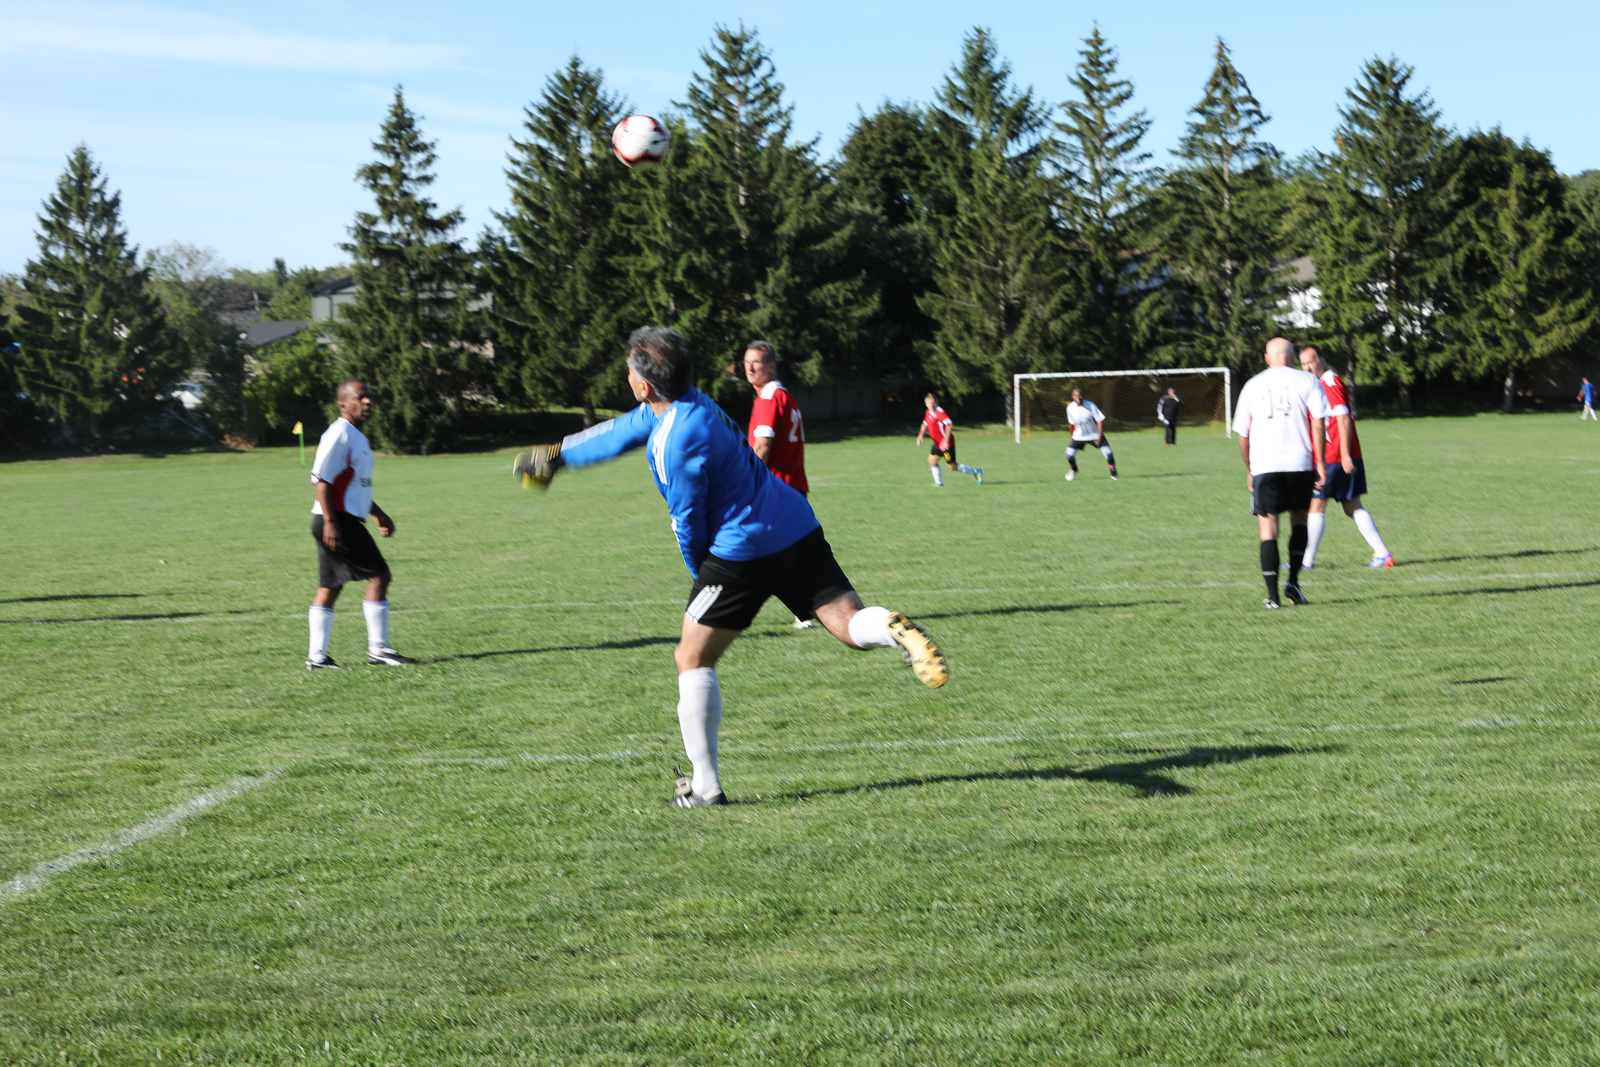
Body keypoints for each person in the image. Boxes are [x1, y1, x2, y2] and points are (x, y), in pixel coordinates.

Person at [513, 326, 948, 808]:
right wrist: (559, 456)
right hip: (794, 522)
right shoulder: (693, 404)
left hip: (743, 550)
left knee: (691, 657)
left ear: (644, 385)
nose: (628, 378)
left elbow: (687, 520)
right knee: (848, 625)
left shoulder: (673, 441)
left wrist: (701, 577)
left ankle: (704, 788)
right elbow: (623, 429)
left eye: (630, 372)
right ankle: (891, 628)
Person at [307, 380, 415, 669]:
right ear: (343, 404)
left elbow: (355, 486)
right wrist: (331, 522)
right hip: (336, 519)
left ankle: (317, 657)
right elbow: (321, 480)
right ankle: (379, 649)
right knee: (379, 576)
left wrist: (378, 513)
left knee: (330, 586)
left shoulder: (356, 435)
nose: (367, 402)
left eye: (369, 397)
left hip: (336, 517)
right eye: (360, 397)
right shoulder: (339, 434)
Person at [1232, 338, 1330, 609]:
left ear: (1267, 358)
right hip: (1300, 464)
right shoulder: (1308, 381)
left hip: (1265, 466)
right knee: (1300, 522)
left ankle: (1273, 598)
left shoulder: (1252, 384)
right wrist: (1320, 463)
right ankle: (1294, 583)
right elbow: (1318, 423)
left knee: (1268, 530)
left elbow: (1243, 435)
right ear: (1293, 357)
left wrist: (1250, 469)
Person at [1298, 345, 1396, 569]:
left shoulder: (1330, 382)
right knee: (1351, 506)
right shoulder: (1321, 383)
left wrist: (1344, 455)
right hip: (1337, 456)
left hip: (1334, 457)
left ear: (1322, 360)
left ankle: (1306, 562)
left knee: (1316, 505)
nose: (1306, 368)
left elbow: (1343, 418)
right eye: (1302, 364)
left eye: (1310, 362)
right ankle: (1382, 553)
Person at [743, 340, 814, 628]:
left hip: (774, 489)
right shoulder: (784, 395)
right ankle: (805, 609)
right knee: (789, 553)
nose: (750, 367)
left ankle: (732, 611)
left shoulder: (769, 397)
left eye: (757, 362)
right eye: (747, 361)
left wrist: (747, 483)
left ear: (771, 366)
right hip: (792, 486)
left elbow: (762, 445)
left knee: (755, 552)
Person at [916, 393, 982, 487]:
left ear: (937, 403)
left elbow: (949, 425)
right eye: (930, 403)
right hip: (938, 444)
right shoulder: (928, 412)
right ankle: (939, 483)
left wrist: (945, 441)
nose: (932, 405)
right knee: (932, 460)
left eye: (933, 403)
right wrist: (920, 435)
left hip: (947, 444)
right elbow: (925, 423)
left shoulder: (940, 412)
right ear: (926, 404)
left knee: (952, 467)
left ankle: (976, 472)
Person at [1064, 388, 1117, 481]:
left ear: (1083, 396)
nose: (1078, 397)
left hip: (1094, 434)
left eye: (1080, 395)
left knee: (1109, 453)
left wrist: (1099, 436)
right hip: (1079, 436)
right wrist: (1072, 436)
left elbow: (1099, 421)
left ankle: (1114, 474)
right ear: (1073, 397)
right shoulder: (1070, 408)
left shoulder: (1091, 405)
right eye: (1076, 396)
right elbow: (1071, 424)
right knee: (1069, 454)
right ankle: (1074, 470)